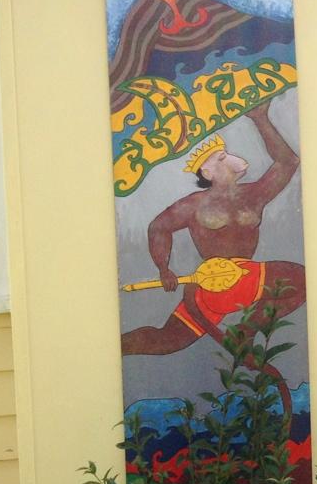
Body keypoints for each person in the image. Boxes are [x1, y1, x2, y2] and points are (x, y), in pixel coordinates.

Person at [120, 102, 306, 395]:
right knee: (166, 340)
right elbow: (158, 227)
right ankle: (110, 347)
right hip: (210, 285)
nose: (232, 157)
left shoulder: (254, 194)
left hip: (248, 277)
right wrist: (164, 269)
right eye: (222, 156)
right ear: (208, 171)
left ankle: (245, 331)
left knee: (301, 280)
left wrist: (260, 118)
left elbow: (288, 163)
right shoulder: (193, 205)